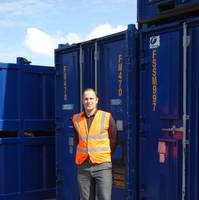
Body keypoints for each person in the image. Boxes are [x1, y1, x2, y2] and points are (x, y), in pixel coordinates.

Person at [72, 88, 117, 200]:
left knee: (104, 198)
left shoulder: (106, 117)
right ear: (83, 101)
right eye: (86, 99)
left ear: (97, 100)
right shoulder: (76, 119)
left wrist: (104, 156)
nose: (89, 101)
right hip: (83, 167)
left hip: (102, 166)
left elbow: (114, 139)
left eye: (91, 98)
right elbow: (77, 140)